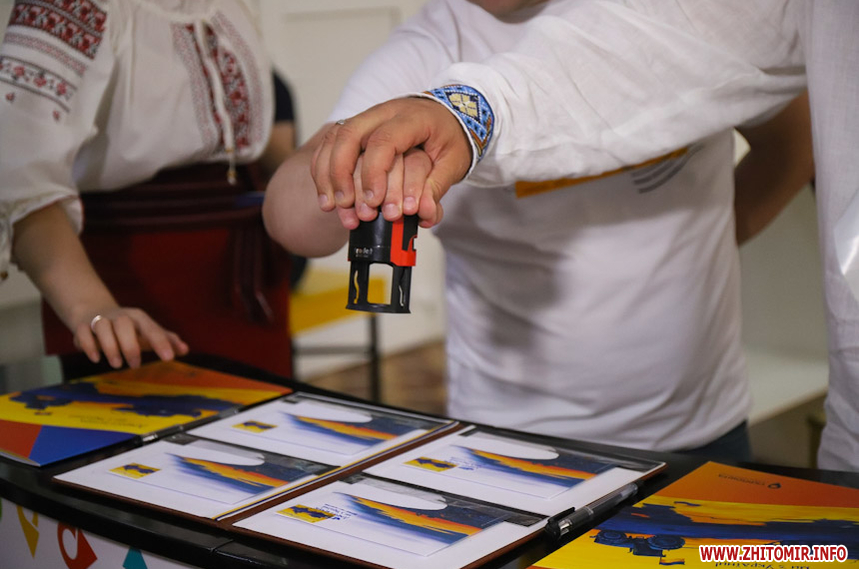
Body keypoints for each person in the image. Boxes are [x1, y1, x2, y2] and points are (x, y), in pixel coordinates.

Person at [264, 0, 814, 456]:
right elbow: (291, 218)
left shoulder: (674, 18)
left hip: (704, 425)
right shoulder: (425, 51)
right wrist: (354, 167)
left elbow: (792, 144)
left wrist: (712, 242)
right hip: (512, 438)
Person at [0, 0, 296, 376]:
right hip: (124, 285)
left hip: (245, 278)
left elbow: (236, 134)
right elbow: (17, 169)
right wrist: (93, 309)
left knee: (265, 409)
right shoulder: (71, 6)